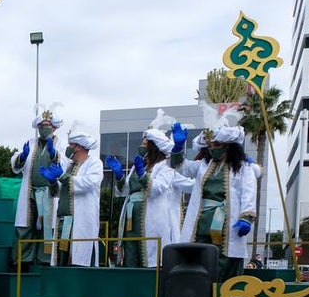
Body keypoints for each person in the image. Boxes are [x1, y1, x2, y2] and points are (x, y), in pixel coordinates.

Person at [172, 119, 258, 281]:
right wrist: (177, 148)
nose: (212, 149)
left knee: (224, 262)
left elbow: (249, 192)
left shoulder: (244, 168)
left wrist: (246, 218)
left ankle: (224, 294)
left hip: (227, 224)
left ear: (228, 146)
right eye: (210, 146)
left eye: (216, 145)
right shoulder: (203, 165)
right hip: (202, 222)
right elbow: (181, 167)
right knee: (199, 260)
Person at [104, 119, 193, 268]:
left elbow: (158, 188)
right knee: (130, 254)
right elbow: (126, 190)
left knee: (150, 256)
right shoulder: (138, 165)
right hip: (131, 219)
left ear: (154, 147)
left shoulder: (165, 165)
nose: (141, 146)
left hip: (152, 218)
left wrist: (142, 175)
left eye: (145, 144)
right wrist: (119, 176)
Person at [11, 111, 63, 270]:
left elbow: (65, 165)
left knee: (47, 227)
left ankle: (45, 262)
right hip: (30, 192)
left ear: (54, 127)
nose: (44, 128)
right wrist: (22, 156)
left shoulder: (61, 144)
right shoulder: (31, 143)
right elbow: (15, 165)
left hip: (49, 193)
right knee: (25, 225)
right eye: (41, 125)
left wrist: (55, 155)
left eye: (47, 125)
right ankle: (22, 261)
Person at [44, 132, 104, 267]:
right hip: (63, 223)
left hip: (80, 222)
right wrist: (52, 182)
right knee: (61, 259)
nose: (68, 147)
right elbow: (60, 191)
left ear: (79, 147)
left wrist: (63, 177)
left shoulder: (94, 163)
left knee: (79, 259)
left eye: (70, 144)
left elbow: (88, 183)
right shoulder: (69, 166)